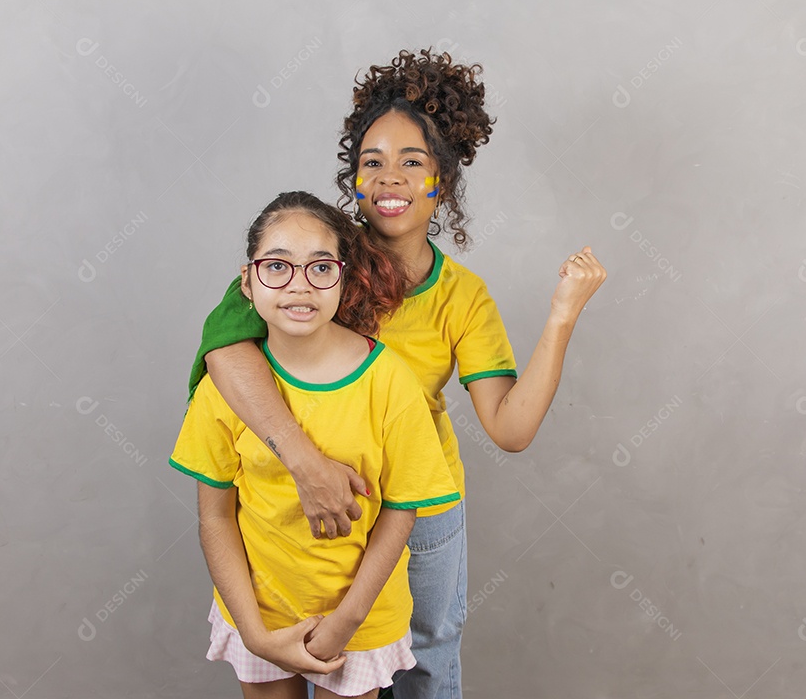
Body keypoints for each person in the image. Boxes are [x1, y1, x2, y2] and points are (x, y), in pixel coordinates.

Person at [190, 50, 607, 698]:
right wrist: (305, 463)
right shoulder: (311, 261)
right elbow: (225, 353)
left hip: (419, 505)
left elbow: (510, 428)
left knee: (424, 658)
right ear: (353, 179)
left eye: (413, 162)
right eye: (372, 162)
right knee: (308, 651)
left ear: (443, 180)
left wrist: (561, 317)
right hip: (305, 501)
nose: (390, 178)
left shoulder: (463, 296)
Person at [170, 191, 460, 699]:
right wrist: (255, 633)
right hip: (259, 612)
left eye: (321, 267)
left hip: (359, 621)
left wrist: (345, 622)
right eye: (276, 266)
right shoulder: (225, 388)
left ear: (343, 279)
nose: (299, 285)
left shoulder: (389, 381)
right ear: (247, 281)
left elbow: (401, 510)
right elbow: (215, 517)